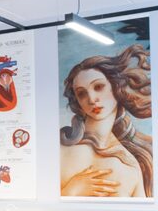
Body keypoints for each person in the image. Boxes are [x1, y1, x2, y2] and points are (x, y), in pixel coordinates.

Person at [59, 44, 152, 197]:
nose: (91, 99)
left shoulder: (130, 164)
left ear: (116, 87)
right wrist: (72, 190)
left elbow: (141, 210)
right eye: (81, 93)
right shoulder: (59, 146)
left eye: (98, 87)